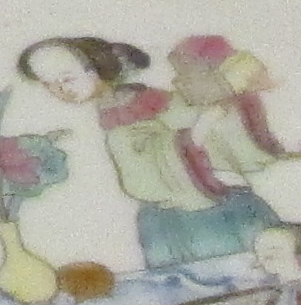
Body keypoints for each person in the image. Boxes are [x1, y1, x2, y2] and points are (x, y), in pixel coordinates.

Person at [25, 31, 285, 276]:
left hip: (210, 210)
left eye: (67, 79)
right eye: (50, 84)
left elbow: (209, 128)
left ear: (95, 69)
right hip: (170, 218)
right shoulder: (113, 112)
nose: (61, 90)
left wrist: (200, 129)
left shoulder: (146, 102)